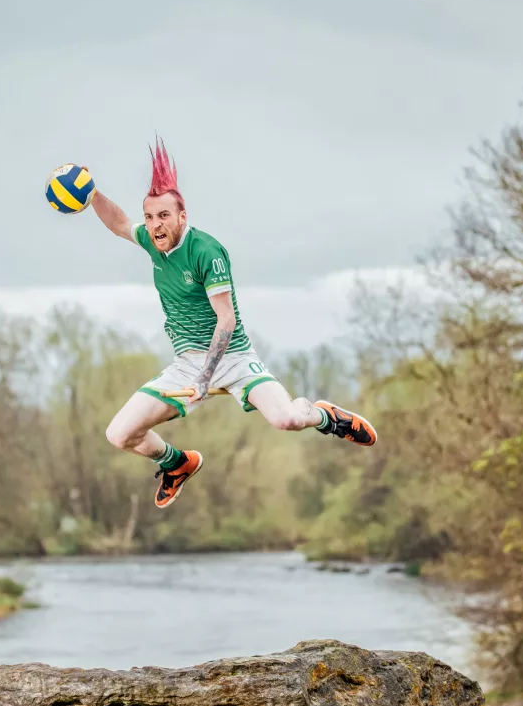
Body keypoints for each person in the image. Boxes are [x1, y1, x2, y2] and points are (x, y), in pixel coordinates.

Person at [88, 137, 378, 509]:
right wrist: (92, 194)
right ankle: (177, 463)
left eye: (163, 216)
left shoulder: (208, 252)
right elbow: (118, 224)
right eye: (149, 217)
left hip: (233, 357)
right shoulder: (150, 240)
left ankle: (325, 416)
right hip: (186, 364)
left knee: (287, 419)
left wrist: (205, 381)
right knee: (119, 434)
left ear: (182, 216)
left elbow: (226, 320)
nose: (155, 225)